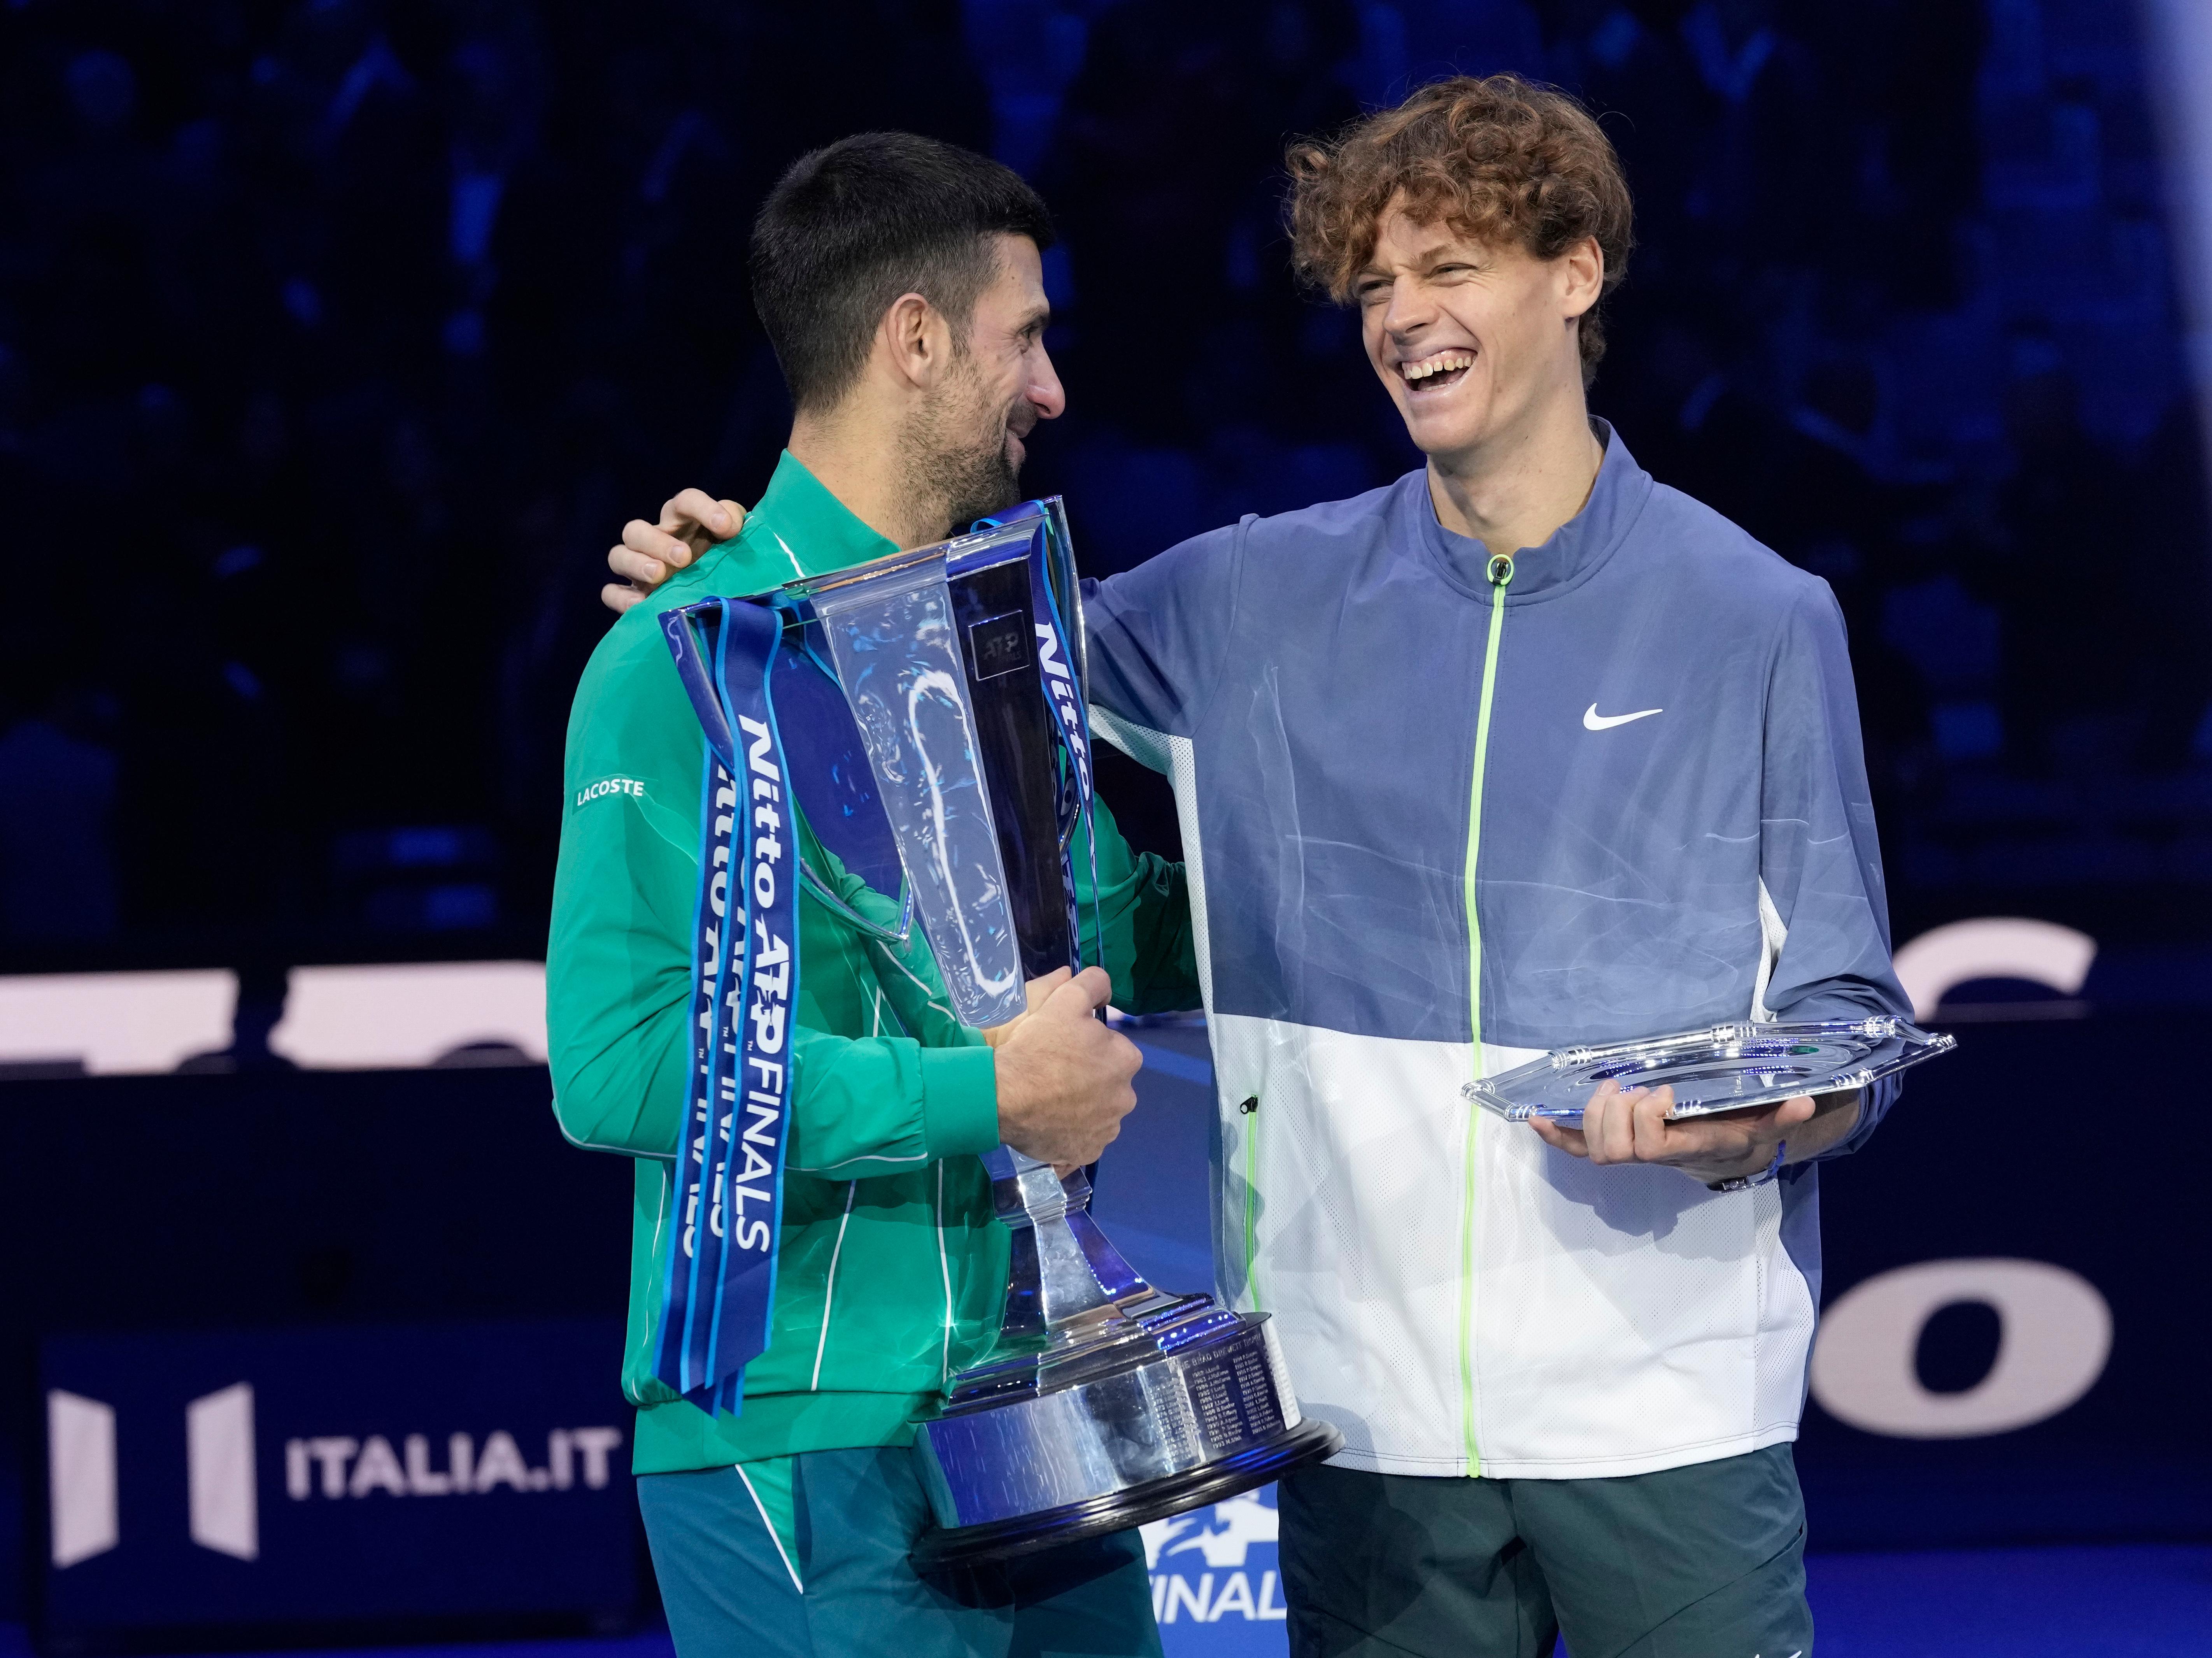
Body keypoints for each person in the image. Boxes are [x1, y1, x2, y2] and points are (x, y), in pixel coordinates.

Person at [611, 78, 1906, 1658]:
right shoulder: (1247, 597)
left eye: (1447, 270)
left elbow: (1846, 1010)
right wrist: (746, 577)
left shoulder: (1756, 615)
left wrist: (1768, 1122)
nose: (1399, 318)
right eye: (1371, 283)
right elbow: (931, 657)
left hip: (1667, 1401)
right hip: (1363, 1418)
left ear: (1575, 271)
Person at [548, 133, 1197, 1658]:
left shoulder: (985, 645)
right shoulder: (679, 656)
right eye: (1025, 335)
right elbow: (619, 1061)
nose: (1051, 390)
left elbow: (1123, 933)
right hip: (803, 1428)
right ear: (913, 337)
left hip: (1041, 1403)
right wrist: (985, 1091)